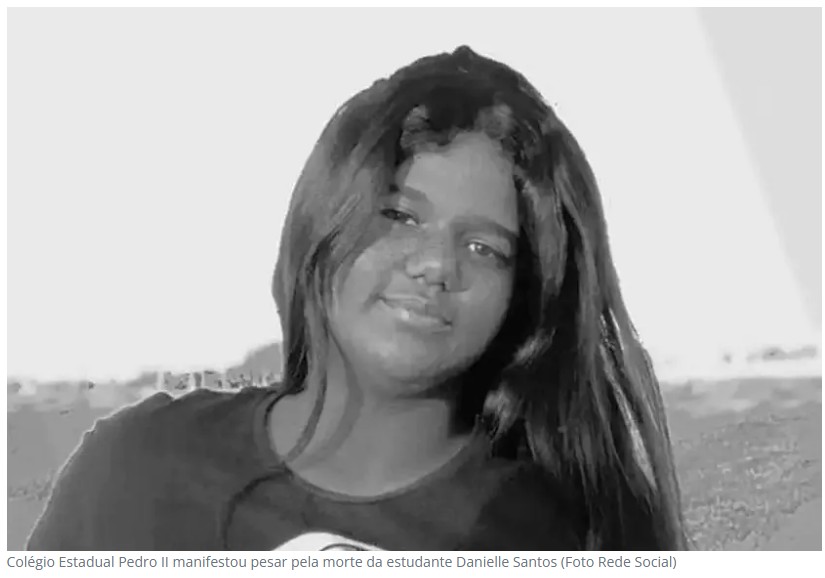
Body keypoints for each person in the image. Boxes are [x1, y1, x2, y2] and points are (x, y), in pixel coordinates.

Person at [27, 45, 687, 551]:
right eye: (399, 215)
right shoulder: (135, 466)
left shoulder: (561, 538)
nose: (436, 265)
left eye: (483, 247)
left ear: (521, 298)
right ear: (325, 216)